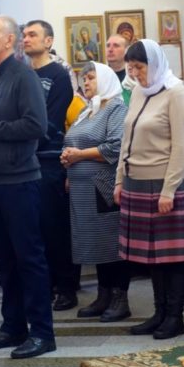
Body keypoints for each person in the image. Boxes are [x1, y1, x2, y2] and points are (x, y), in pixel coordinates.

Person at [0, 15, 55, 359]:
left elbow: (37, 126)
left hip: (20, 182)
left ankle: (42, 332)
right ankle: (12, 326)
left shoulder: (24, 77)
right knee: (4, 261)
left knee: (28, 259)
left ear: (9, 40)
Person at [116, 39, 184, 340]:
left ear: (155, 64)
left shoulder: (176, 93)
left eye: (139, 67)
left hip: (165, 183)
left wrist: (169, 189)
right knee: (151, 256)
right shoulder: (139, 92)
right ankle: (159, 312)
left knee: (171, 256)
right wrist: (119, 179)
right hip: (136, 182)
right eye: (131, 68)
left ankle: (175, 317)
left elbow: (182, 146)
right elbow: (127, 138)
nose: (135, 74)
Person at [63, 62, 129, 321]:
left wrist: (78, 155)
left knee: (111, 242)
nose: (86, 83)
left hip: (103, 186)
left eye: (91, 78)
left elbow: (116, 146)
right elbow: (72, 140)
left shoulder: (116, 107)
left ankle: (120, 298)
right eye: (84, 79)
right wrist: (68, 160)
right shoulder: (88, 109)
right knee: (95, 243)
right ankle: (103, 295)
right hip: (82, 189)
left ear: (105, 79)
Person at [23, 20, 77, 311]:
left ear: (48, 41)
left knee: (53, 226)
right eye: (24, 35)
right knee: (33, 229)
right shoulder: (21, 74)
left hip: (47, 160)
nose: (26, 39)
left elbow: (52, 121)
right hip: (23, 162)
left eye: (33, 34)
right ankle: (42, 286)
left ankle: (66, 286)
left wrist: (20, 139)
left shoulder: (58, 75)